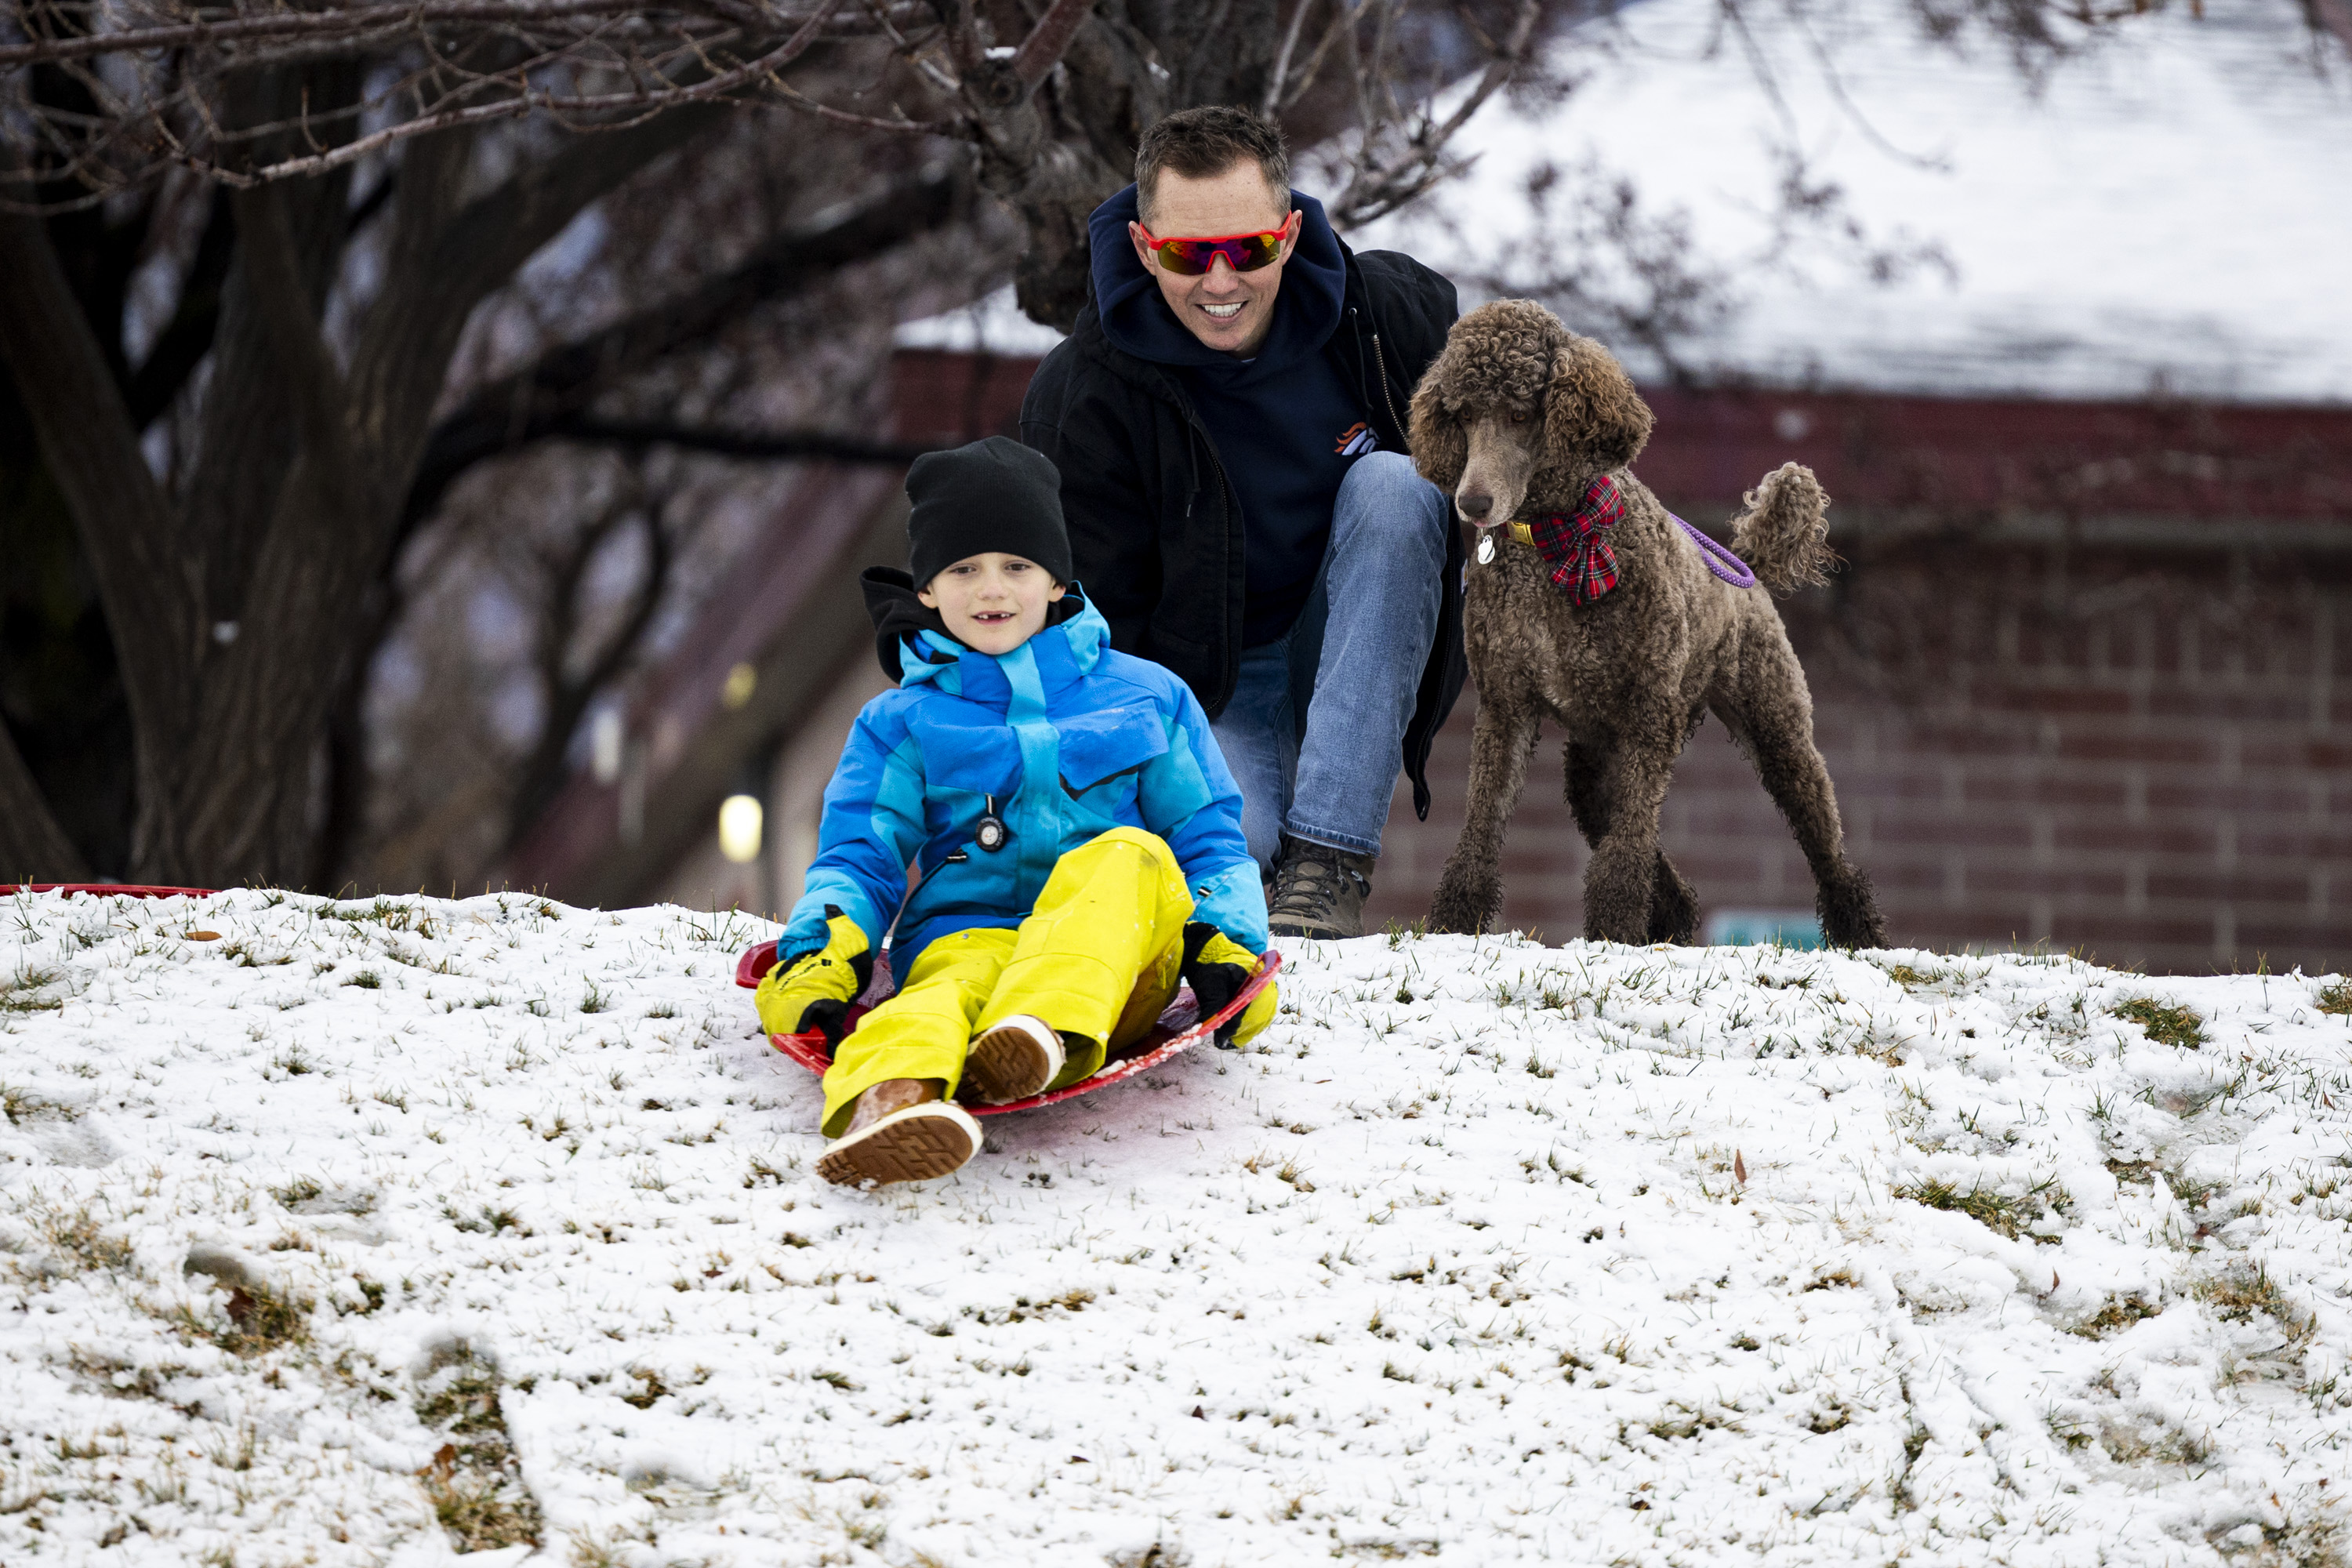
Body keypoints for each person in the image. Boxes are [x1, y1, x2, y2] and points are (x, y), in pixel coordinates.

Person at [754, 437, 1278, 1188]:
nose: (990, 588)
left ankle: (1033, 1032)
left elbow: (1207, 834)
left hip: (1118, 957)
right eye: (963, 569)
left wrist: (1228, 942)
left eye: (1016, 566)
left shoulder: (1147, 697)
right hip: (969, 932)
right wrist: (822, 952)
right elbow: (860, 856)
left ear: (1057, 578)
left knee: (1130, 855)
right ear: (927, 589)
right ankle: (891, 1101)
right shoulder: (901, 721)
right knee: (936, 991)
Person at [1021, 104, 1465, 940]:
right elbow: (1088, 637)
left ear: (1289, 235)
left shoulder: (1385, 322)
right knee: (1227, 856)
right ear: (1148, 249)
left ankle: (1330, 859)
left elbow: (1510, 421)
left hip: (1357, 637)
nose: (1221, 282)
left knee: (1397, 483)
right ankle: (1260, 848)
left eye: (1249, 249)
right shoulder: (1084, 396)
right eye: (1191, 255)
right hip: (1205, 685)